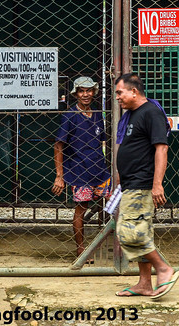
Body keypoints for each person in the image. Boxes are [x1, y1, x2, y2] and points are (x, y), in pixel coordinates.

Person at [114, 73, 179, 299]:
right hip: (131, 183)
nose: (117, 98)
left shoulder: (151, 112)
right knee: (142, 232)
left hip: (142, 184)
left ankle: (163, 269)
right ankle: (144, 283)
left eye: (120, 93)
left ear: (134, 91)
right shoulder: (132, 115)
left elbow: (162, 148)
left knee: (129, 233)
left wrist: (157, 185)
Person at [52, 77, 111, 262]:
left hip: (99, 169)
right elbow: (58, 145)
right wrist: (59, 176)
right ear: (76, 94)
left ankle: (110, 245)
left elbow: (102, 140)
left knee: (112, 206)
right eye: (81, 91)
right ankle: (81, 250)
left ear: (94, 92)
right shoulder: (70, 115)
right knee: (81, 210)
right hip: (79, 171)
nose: (85, 94)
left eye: (89, 91)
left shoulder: (97, 114)